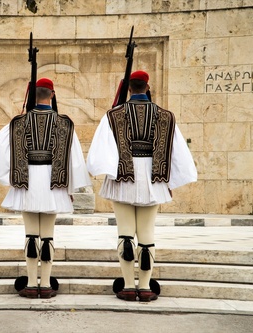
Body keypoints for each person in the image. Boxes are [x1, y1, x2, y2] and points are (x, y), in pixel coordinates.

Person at [86, 70, 197, 302]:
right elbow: (178, 153)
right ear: (148, 87)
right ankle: (145, 288)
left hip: (122, 177)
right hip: (152, 179)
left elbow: (100, 151)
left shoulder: (113, 115)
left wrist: (106, 170)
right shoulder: (166, 116)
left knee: (125, 234)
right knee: (147, 236)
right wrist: (170, 179)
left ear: (129, 89)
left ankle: (127, 286)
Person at [0, 78, 92, 299]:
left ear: (31, 95)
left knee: (30, 235)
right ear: (53, 94)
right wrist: (71, 188)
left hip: (26, 182)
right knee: (48, 237)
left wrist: (8, 177)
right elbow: (74, 159)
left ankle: (30, 283)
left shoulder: (17, 122)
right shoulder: (65, 123)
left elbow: (2, 147)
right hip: (53, 184)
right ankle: (46, 284)